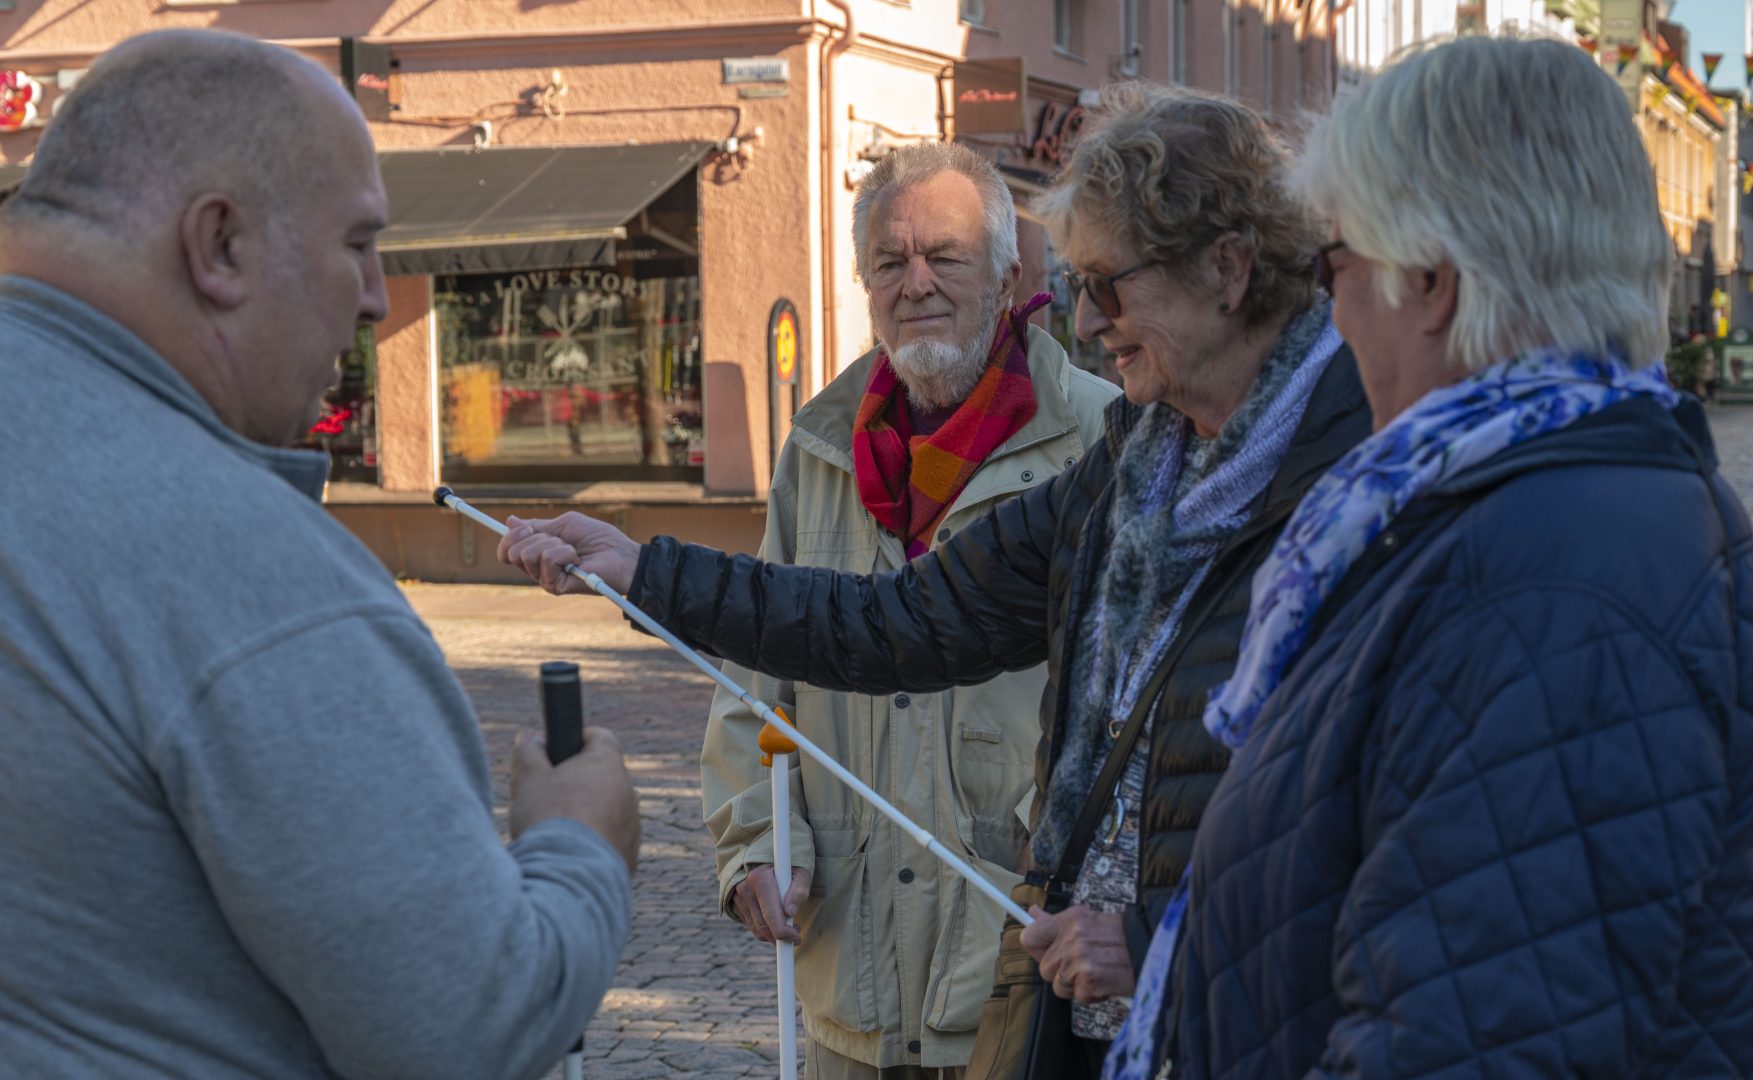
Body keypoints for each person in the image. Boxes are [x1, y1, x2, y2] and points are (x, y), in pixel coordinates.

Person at [500, 82, 1372, 1071]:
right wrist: (649, 572)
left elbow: (1377, 819)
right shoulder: (1132, 464)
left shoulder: (1368, 474)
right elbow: (899, 622)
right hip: (1095, 1023)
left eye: (1109, 285)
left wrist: (1164, 936)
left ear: (1228, 266)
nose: (1088, 321)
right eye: (1078, 286)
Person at [1103, 33, 1753, 1080]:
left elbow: (1469, 1039)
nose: (1330, 309)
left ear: (1429, 281)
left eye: (1335, 264)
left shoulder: (1547, 577)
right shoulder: (1524, 512)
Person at [0, 30, 641, 1080]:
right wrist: (579, 843)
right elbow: (467, 1027)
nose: (377, 295)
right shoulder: (237, 562)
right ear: (220, 246)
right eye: (356, 242)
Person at [695, 141, 1114, 1079]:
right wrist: (757, 840)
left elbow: (1130, 694)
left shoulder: (1096, 436)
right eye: (890, 261)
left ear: (1007, 278)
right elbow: (756, 670)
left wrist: (1068, 863)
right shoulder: (819, 446)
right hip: (851, 962)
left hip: (1015, 952)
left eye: (945, 257)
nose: (915, 283)